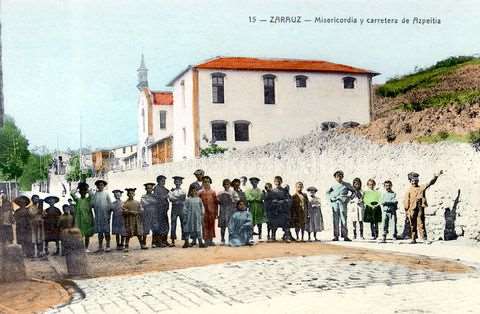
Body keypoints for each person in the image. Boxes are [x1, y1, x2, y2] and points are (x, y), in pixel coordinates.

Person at [404, 171, 443, 244]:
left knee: (421, 222)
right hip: (412, 208)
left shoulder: (421, 187)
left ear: (418, 181)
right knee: (412, 224)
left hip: (420, 208)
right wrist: (407, 210)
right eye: (412, 181)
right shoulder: (409, 190)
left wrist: (436, 177)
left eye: (416, 180)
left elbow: (430, 183)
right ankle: (413, 238)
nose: (414, 182)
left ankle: (424, 238)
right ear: (410, 181)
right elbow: (406, 201)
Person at [326, 170, 355, 241]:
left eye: (340, 176)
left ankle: (345, 236)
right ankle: (336, 236)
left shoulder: (346, 184)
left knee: (344, 220)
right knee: (335, 220)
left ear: (342, 177)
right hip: (335, 204)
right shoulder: (333, 185)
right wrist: (331, 199)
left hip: (343, 203)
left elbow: (354, 191)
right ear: (335, 178)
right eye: (337, 177)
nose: (339, 178)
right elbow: (327, 193)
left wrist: (349, 198)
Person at [264, 176, 291, 242]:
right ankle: (273, 237)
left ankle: (287, 237)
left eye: (279, 181)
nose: (278, 182)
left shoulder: (285, 191)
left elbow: (289, 199)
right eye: (276, 181)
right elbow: (268, 200)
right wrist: (273, 202)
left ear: (281, 182)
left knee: (285, 224)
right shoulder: (272, 191)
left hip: (283, 210)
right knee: (274, 224)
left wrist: (284, 201)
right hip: (275, 210)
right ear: (274, 182)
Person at [71, 182, 95, 253]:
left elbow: (92, 194)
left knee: (87, 234)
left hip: (87, 219)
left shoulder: (88, 200)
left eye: (84, 192)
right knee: (79, 235)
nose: (83, 193)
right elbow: (72, 193)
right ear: (80, 192)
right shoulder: (77, 200)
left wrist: (87, 189)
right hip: (79, 219)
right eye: (81, 192)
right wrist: (78, 188)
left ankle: (86, 247)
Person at [91, 179, 112, 252]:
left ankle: (108, 245)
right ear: (97, 186)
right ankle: (100, 246)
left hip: (105, 216)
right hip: (98, 216)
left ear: (104, 186)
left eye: (102, 185)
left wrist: (109, 215)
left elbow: (110, 205)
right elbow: (92, 204)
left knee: (106, 231)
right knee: (100, 232)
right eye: (99, 185)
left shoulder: (106, 194)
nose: (100, 186)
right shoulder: (95, 194)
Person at [182, 184, 206, 248]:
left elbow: (202, 208)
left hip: (197, 217)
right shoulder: (188, 200)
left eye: (195, 191)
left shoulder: (199, 199)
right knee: (187, 229)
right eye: (192, 191)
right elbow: (185, 208)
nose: (194, 192)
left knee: (198, 229)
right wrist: (185, 216)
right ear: (190, 191)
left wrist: (202, 215)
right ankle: (186, 242)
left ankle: (200, 242)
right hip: (189, 217)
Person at [198, 176, 218, 246]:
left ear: (210, 182)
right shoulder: (200, 192)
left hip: (211, 211)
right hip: (203, 212)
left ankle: (211, 240)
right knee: (204, 225)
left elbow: (216, 203)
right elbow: (198, 202)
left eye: (208, 182)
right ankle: (206, 240)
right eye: (205, 182)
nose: (206, 183)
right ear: (202, 183)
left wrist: (216, 212)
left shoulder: (213, 192)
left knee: (211, 225)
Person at [153, 175, 171, 247]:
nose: (163, 182)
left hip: (164, 210)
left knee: (166, 225)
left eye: (164, 181)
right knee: (160, 226)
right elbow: (156, 198)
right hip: (158, 210)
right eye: (162, 181)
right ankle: (159, 242)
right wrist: (164, 197)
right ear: (158, 181)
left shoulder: (165, 189)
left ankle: (164, 240)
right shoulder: (156, 188)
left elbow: (169, 195)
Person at [169, 176, 187, 246]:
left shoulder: (183, 190)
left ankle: (185, 240)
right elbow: (170, 199)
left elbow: (184, 198)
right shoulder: (172, 191)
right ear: (174, 182)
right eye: (176, 182)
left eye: (179, 182)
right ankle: (173, 241)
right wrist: (179, 197)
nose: (177, 183)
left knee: (183, 223)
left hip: (182, 207)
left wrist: (176, 198)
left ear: (181, 182)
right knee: (173, 224)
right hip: (174, 208)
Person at [142, 182, 161, 248]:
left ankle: (154, 243)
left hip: (154, 214)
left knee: (155, 228)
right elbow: (144, 203)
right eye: (148, 188)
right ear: (146, 189)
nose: (149, 189)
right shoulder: (143, 196)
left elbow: (157, 202)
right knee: (145, 229)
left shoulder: (155, 196)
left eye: (150, 188)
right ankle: (143, 243)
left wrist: (150, 201)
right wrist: (152, 202)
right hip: (146, 214)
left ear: (152, 189)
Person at [217, 179, 235, 245]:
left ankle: (231, 239)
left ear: (230, 185)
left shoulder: (233, 192)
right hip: (223, 210)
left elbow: (236, 201)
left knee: (230, 226)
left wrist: (231, 198)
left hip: (230, 210)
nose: (226, 185)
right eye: (225, 184)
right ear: (223, 185)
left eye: (227, 184)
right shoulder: (220, 193)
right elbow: (217, 201)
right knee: (223, 226)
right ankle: (222, 239)